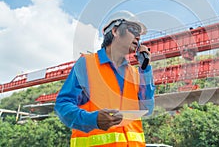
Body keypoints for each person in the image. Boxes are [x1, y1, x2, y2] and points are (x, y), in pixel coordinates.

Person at [55, 13, 155, 147]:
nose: (138, 36)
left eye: (140, 33)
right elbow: (62, 105)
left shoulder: (135, 73)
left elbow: (147, 108)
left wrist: (145, 69)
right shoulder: (87, 64)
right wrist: (92, 119)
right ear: (115, 31)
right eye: (133, 30)